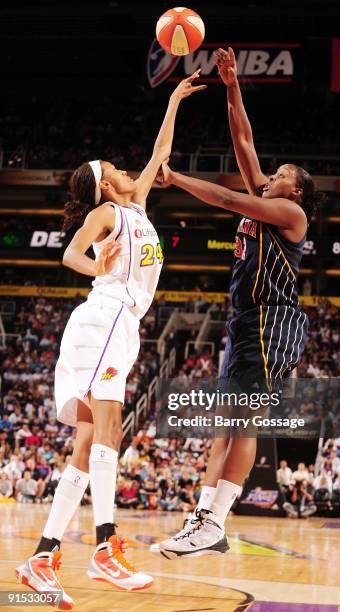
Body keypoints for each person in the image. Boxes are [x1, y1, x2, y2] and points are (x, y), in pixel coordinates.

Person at [16, 71, 206, 608]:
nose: (126, 169)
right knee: (109, 428)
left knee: (86, 445)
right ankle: (104, 547)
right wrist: (96, 260)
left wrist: (171, 101)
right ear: (104, 184)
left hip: (118, 325)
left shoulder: (137, 206)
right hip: (104, 319)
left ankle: (42, 556)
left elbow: (158, 151)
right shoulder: (106, 212)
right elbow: (69, 255)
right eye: (115, 169)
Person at [158, 47, 324, 559]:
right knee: (226, 423)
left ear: (294, 191)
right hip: (245, 322)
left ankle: (215, 521)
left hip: (273, 323)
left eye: (279, 175)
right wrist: (232, 86)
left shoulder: (290, 216)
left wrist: (177, 177)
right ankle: (205, 519)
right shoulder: (271, 200)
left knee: (245, 420)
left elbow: (230, 199)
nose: (269, 175)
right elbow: (244, 142)